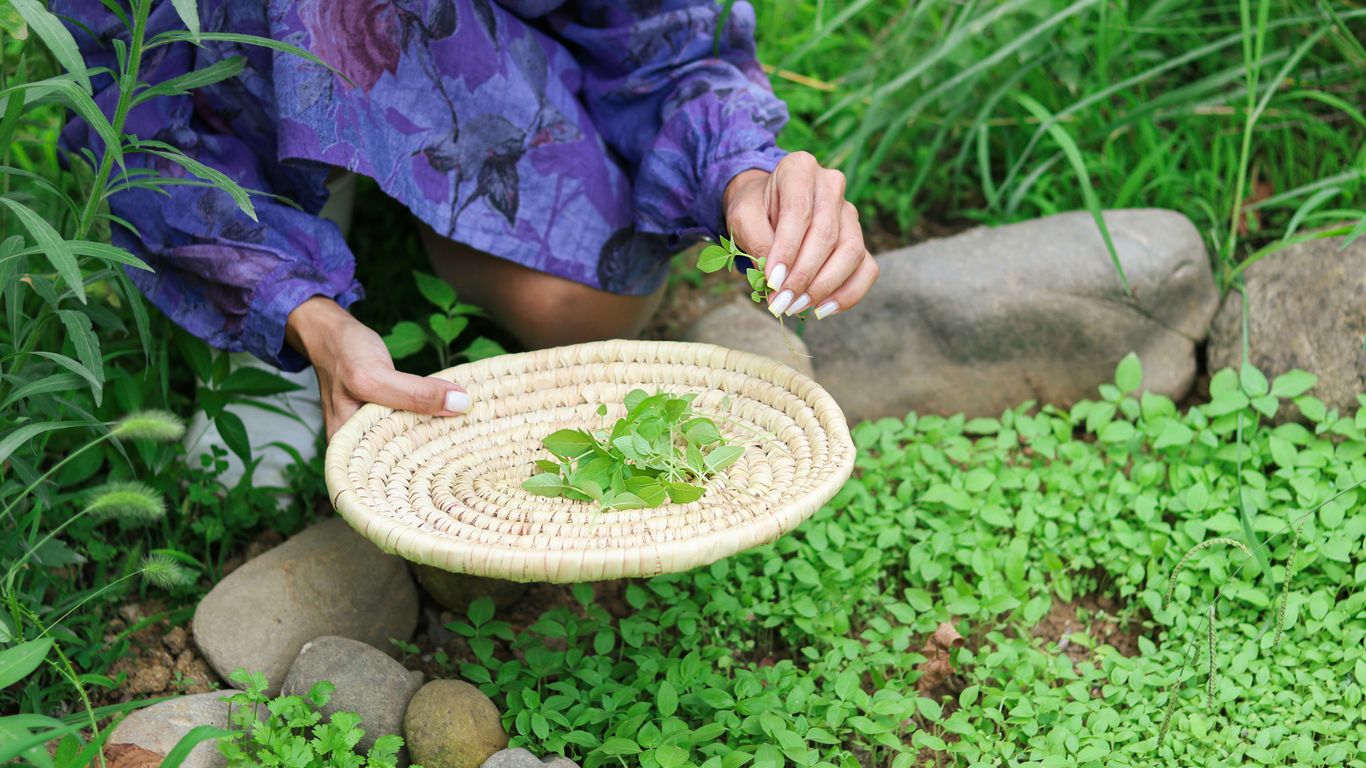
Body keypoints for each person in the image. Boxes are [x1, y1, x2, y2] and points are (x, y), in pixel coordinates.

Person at [59, 0, 879, 449]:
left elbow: (663, 42)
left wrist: (743, 175)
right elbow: (119, 115)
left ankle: (377, 166)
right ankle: (290, 204)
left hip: (435, 33)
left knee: (582, 302)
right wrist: (299, 309)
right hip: (225, 55)